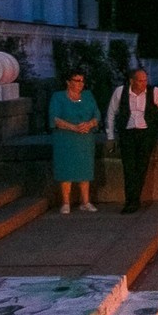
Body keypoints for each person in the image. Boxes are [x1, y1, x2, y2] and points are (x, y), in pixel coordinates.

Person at [105, 67, 158, 214]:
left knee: (141, 166)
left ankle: (134, 200)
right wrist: (110, 136)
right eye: (140, 80)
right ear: (132, 81)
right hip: (127, 133)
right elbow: (111, 114)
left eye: (145, 80)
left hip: (146, 134)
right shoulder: (120, 92)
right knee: (129, 167)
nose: (144, 83)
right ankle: (130, 200)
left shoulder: (154, 92)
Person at [50, 70, 100, 213]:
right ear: (68, 82)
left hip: (85, 138)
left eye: (82, 81)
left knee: (85, 168)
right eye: (77, 80)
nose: (80, 84)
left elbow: (96, 114)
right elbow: (55, 118)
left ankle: (86, 201)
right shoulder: (58, 97)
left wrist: (89, 124)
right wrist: (73, 127)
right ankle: (66, 202)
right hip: (65, 138)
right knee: (66, 168)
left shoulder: (88, 96)